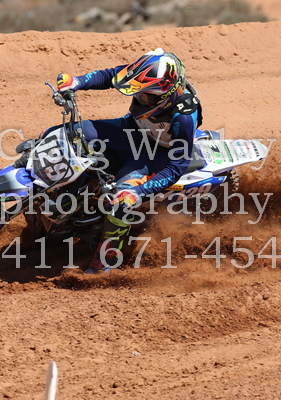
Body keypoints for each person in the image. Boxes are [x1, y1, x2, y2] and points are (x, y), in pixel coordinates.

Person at [53, 48, 202, 273]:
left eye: (145, 96)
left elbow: (177, 166)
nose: (139, 98)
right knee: (63, 134)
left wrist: (138, 193)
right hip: (130, 130)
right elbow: (111, 75)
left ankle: (105, 261)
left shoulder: (184, 116)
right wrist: (77, 81)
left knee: (120, 200)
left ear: (165, 95)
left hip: (155, 154)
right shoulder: (145, 74)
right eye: (138, 94)